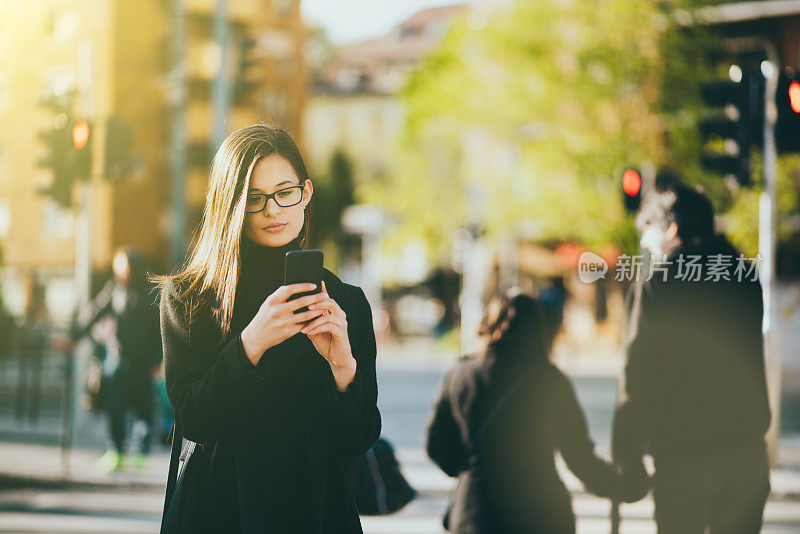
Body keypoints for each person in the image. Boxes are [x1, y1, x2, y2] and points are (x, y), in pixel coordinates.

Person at [155, 124, 380, 533]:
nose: (273, 210)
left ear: (306, 193)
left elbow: (358, 439)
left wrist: (343, 366)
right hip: (220, 513)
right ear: (231, 205)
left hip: (318, 514)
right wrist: (251, 343)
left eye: (284, 192)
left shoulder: (346, 303)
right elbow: (194, 420)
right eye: (254, 198)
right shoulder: (190, 298)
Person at [613, 179, 771, 533]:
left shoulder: (658, 284)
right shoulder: (745, 277)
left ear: (671, 229)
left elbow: (636, 376)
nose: (644, 243)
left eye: (648, 232)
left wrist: (626, 455)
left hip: (684, 461)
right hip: (746, 457)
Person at [426, 290, 643, 534]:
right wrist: (626, 486)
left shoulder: (460, 375)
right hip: (539, 512)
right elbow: (579, 458)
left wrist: (472, 468)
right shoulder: (549, 381)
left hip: (475, 513)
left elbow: (436, 446)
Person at [71, 247, 161, 471]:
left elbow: (160, 330)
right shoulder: (114, 289)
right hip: (117, 361)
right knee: (115, 409)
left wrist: (158, 360)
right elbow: (94, 312)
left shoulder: (151, 292)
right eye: (120, 265)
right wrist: (73, 336)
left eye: (125, 265)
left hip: (143, 364)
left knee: (145, 411)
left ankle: (140, 454)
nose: (123, 270)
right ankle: (117, 452)